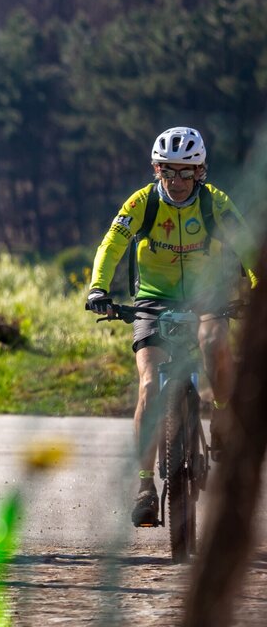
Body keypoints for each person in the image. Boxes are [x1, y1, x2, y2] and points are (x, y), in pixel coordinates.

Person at [85, 126, 257, 527]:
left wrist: (257, 284)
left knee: (214, 342)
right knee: (148, 385)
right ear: (156, 170)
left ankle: (222, 415)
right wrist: (98, 287)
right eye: (168, 171)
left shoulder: (215, 203)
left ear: (200, 172)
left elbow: (247, 245)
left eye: (185, 172)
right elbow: (112, 243)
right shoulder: (142, 203)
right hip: (153, 299)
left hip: (206, 296)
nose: (176, 180)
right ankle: (145, 486)